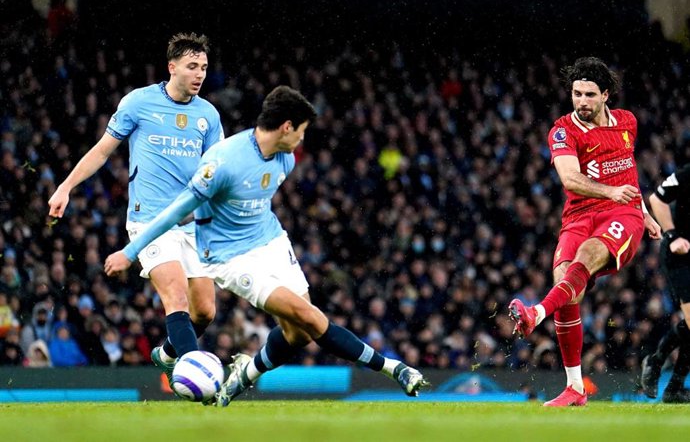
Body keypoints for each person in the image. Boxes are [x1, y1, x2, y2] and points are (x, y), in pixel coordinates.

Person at [104, 85, 429, 406]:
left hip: (271, 242)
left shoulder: (285, 160)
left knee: (298, 334)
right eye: (300, 131)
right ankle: (394, 369)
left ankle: (243, 375)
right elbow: (175, 210)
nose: (302, 139)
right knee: (310, 317)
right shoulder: (224, 161)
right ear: (286, 127)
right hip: (231, 258)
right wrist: (129, 252)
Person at [48, 32, 223, 383]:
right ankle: (197, 381)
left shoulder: (208, 115)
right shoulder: (139, 103)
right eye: (192, 66)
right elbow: (101, 150)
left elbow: (215, 169)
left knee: (204, 311)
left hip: (192, 223)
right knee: (175, 297)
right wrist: (65, 187)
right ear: (172, 67)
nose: (199, 74)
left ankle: (169, 353)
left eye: (203, 67)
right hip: (150, 220)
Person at [507, 57, 661, 406]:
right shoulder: (563, 130)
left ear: (606, 94)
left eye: (590, 95)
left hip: (621, 214)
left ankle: (535, 314)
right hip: (578, 215)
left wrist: (644, 212)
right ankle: (575, 388)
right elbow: (569, 178)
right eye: (577, 94)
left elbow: (629, 174)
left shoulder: (627, 123)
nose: (582, 102)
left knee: (588, 254)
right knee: (565, 280)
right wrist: (609, 191)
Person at [641, 166, 690, 403]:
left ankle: (671, 384)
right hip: (680, 254)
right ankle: (658, 364)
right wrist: (672, 235)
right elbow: (656, 199)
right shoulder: (688, 174)